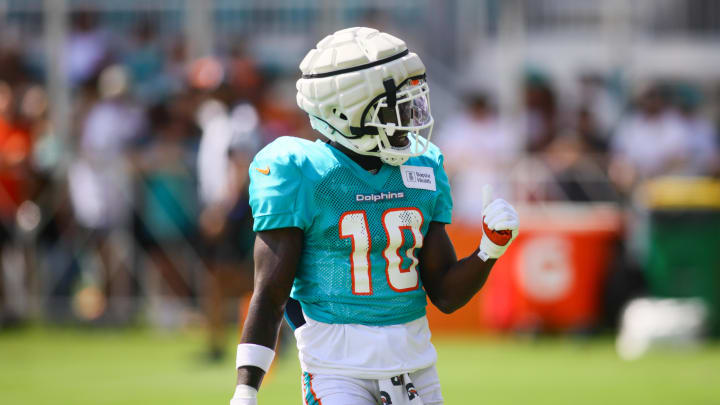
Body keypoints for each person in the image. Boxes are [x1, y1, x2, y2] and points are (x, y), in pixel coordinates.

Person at [230, 27, 519, 405]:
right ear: (347, 110)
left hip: (416, 367)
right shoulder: (302, 170)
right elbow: (270, 295)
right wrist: (246, 389)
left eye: (414, 103)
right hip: (337, 370)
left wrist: (488, 250)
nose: (411, 117)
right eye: (397, 106)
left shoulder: (424, 167)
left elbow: (445, 294)